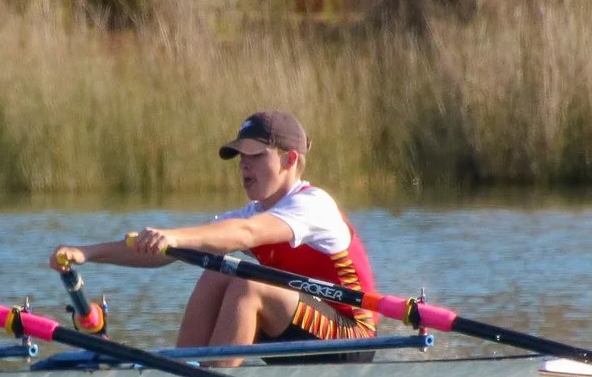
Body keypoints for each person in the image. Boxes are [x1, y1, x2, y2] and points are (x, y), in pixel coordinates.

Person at [51, 110, 380, 361]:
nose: (244, 166)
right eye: (241, 158)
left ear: (289, 159)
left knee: (248, 284)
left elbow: (245, 234)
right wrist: (88, 253)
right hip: (302, 327)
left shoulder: (314, 205)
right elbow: (169, 252)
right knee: (216, 272)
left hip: (352, 338)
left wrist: (174, 237)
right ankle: (183, 371)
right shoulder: (252, 212)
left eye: (256, 155)